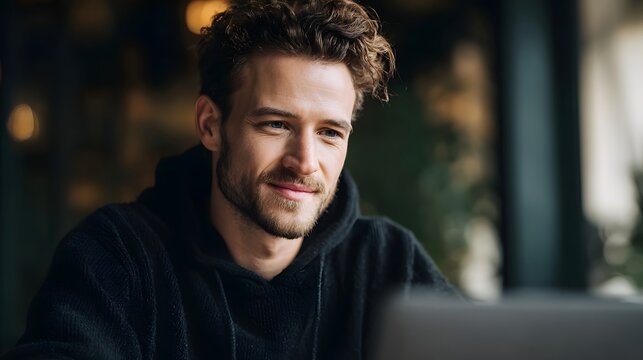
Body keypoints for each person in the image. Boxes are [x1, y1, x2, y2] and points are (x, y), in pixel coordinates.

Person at [2, 0, 457, 359]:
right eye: (276, 124)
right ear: (210, 125)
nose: (305, 161)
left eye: (329, 133)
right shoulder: (119, 258)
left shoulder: (387, 263)